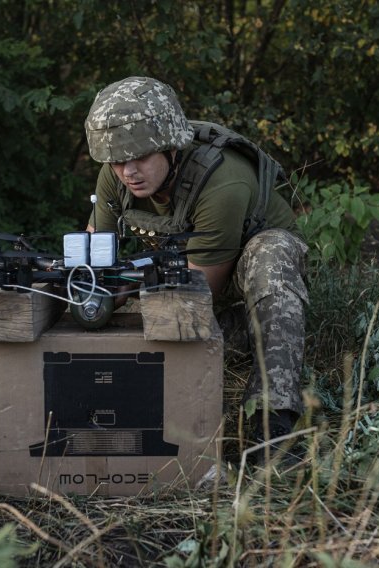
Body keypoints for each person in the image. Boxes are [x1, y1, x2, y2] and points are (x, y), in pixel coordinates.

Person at [83, 76, 309, 461]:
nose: (128, 171)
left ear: (170, 146)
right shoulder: (117, 176)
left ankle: (275, 425)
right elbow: (93, 256)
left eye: (139, 156)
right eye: (118, 160)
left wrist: (127, 289)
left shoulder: (222, 182)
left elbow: (199, 293)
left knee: (272, 255)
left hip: (246, 288)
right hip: (186, 276)